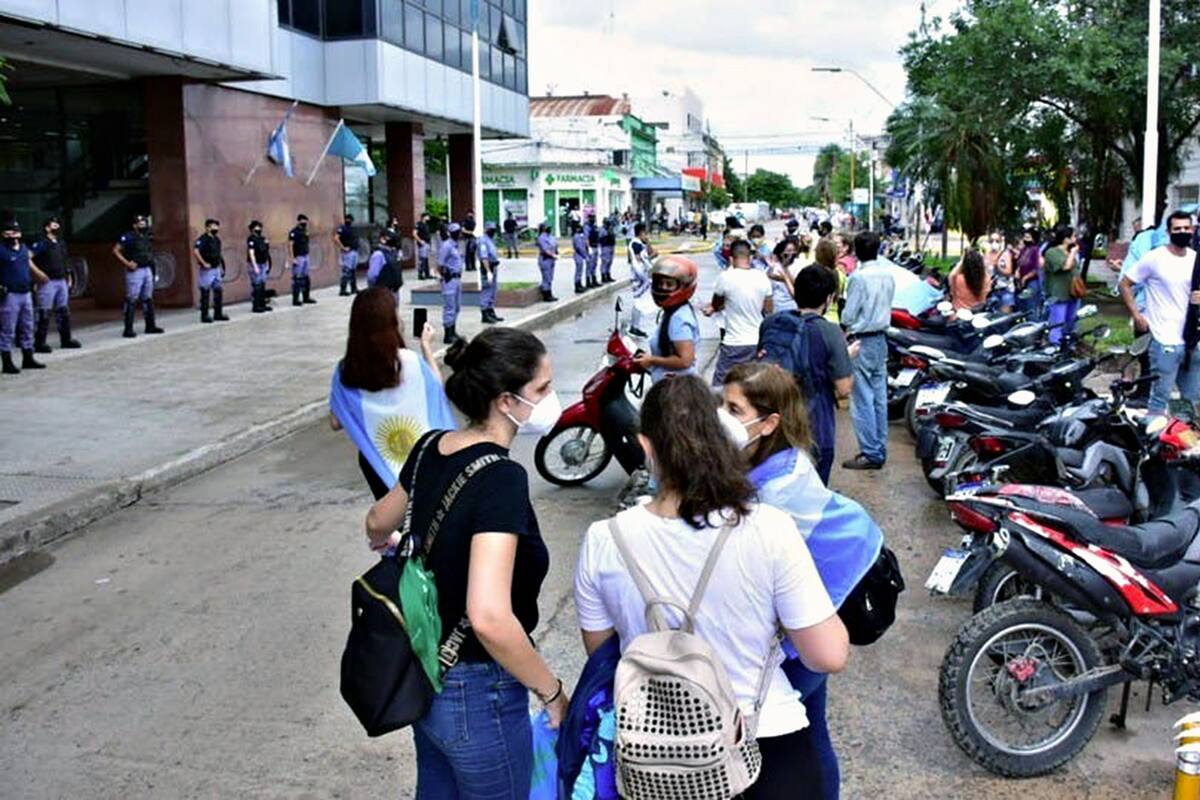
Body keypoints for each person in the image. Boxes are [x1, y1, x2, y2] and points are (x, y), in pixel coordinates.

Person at [574, 375, 850, 800]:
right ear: (723, 437)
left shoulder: (603, 540)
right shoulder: (769, 528)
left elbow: (604, 653)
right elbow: (828, 654)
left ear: (646, 446)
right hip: (767, 740)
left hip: (657, 760)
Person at [365, 326, 568, 799]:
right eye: (542, 389)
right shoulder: (502, 478)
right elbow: (489, 617)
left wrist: (389, 541)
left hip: (426, 673)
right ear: (506, 401)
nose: (551, 399)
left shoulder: (429, 447)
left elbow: (377, 520)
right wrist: (553, 692)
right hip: (480, 691)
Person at [720, 362, 883, 800]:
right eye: (722, 405)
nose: (722, 418)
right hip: (815, 611)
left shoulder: (776, 491)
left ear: (769, 422)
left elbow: (751, 572)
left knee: (776, 738)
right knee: (810, 725)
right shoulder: (772, 460)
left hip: (823, 610)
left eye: (734, 410)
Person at [330, 287, 449, 499]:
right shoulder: (410, 361)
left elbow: (336, 422)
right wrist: (426, 346)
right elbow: (436, 388)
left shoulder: (346, 370)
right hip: (419, 457)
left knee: (390, 514)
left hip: (376, 462)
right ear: (391, 322)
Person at [757, 266, 854, 484]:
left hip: (774, 423)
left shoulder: (772, 323)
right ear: (828, 298)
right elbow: (844, 388)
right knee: (812, 491)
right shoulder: (830, 331)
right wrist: (846, 356)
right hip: (814, 426)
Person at [1119, 210, 1200, 413]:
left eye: (1186, 228)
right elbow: (1125, 283)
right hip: (1163, 339)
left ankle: (1183, 431)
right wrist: (1137, 315)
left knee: (1192, 400)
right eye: (1177, 229)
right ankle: (1153, 430)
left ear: (1192, 230)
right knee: (1160, 397)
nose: (1182, 232)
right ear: (1168, 232)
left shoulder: (1195, 259)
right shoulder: (1155, 258)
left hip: (1191, 340)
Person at [841, 231, 894, 470]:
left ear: (857, 252)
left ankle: (871, 452)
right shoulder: (887, 275)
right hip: (881, 339)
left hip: (862, 340)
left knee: (862, 399)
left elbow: (849, 315)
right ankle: (878, 447)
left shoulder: (858, 278)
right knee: (879, 398)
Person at [705, 239, 773, 386]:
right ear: (750, 257)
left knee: (720, 386)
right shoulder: (762, 277)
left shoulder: (725, 277)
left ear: (731, 258)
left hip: (734, 342)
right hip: (756, 341)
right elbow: (768, 309)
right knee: (754, 385)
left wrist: (714, 308)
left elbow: (716, 304)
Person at [633, 254, 700, 383]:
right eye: (660, 283)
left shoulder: (678, 318)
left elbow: (685, 360)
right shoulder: (674, 311)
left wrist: (652, 360)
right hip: (672, 384)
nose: (663, 288)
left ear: (684, 287)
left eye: (669, 284)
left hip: (676, 388)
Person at [1, 219, 47, 374]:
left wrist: (37, 280)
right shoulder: (1, 251)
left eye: (15, 231)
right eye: (8, 232)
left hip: (26, 292)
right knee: (8, 328)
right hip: (9, 294)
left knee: (28, 326)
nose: (12, 234)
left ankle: (28, 357)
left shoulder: (23, 249)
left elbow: (29, 267)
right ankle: (6, 361)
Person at [30, 216, 81, 351]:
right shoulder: (42, 243)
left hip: (61, 280)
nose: (57, 227)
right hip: (48, 282)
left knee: (63, 310)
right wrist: (38, 274)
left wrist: (68, 275)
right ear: (47, 227)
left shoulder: (60, 242)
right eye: (54, 225)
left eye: (58, 224)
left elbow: (65, 259)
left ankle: (66, 339)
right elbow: (28, 257)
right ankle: (39, 343)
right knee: (44, 311)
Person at [113, 213, 164, 338]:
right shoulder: (128, 236)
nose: (143, 226)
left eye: (144, 223)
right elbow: (116, 250)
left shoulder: (147, 236)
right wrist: (127, 263)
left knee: (148, 298)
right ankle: (128, 329)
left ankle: (150, 326)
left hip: (147, 269)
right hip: (135, 271)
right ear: (134, 225)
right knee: (132, 298)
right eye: (140, 224)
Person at [1044, 224, 1081, 344]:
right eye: (1073, 236)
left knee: (1071, 322)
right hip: (1059, 294)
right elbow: (1066, 266)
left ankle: (1068, 344)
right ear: (1066, 239)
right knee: (1058, 323)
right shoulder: (1052, 252)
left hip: (1072, 293)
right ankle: (1055, 345)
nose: (1075, 239)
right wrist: (1073, 253)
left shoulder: (1069, 252)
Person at [193, 218, 230, 323]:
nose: (216, 228)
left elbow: (219, 254)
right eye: (214, 226)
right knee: (205, 291)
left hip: (216, 268)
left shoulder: (217, 239)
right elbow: (196, 251)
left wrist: (221, 267)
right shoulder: (203, 239)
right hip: (207, 270)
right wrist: (204, 263)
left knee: (218, 291)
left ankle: (218, 313)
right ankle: (204, 315)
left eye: (217, 226)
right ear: (207, 227)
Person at [627, 222, 656, 337]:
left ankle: (636, 326)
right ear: (641, 232)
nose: (647, 235)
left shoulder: (640, 244)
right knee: (638, 302)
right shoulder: (635, 244)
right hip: (639, 277)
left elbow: (649, 253)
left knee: (640, 301)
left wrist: (648, 243)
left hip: (643, 276)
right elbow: (639, 261)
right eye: (645, 233)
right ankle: (634, 327)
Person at [439, 222, 466, 344]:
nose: (458, 233)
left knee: (457, 306)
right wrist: (443, 276)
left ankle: (453, 331)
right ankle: (448, 334)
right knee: (449, 307)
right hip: (449, 279)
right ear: (450, 233)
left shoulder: (456, 246)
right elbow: (440, 264)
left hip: (457, 279)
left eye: (458, 231)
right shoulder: (446, 245)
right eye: (455, 232)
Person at [478, 222, 505, 324]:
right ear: (486, 229)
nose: (493, 231)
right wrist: (488, 271)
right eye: (491, 229)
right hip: (487, 268)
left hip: (493, 267)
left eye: (493, 230)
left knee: (493, 291)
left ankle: (491, 312)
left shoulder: (491, 240)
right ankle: (485, 314)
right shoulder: (483, 241)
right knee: (487, 291)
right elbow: (484, 258)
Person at [288, 213, 317, 306]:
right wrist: (292, 258)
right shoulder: (294, 232)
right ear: (299, 221)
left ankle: (306, 297)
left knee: (306, 277)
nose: (304, 222)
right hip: (298, 257)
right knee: (297, 278)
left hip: (305, 256)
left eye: (305, 221)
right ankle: (295, 299)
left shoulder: (305, 231)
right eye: (303, 220)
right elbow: (290, 245)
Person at [767, 237, 802, 314]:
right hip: (777, 305)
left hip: (792, 305)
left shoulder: (798, 265)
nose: (791, 253)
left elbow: (797, 286)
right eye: (788, 251)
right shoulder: (776, 265)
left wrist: (785, 271)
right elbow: (769, 278)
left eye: (793, 250)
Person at [1015, 228, 1044, 318]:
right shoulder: (1024, 250)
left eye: (1028, 237)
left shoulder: (1036, 250)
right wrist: (1018, 271)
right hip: (1022, 283)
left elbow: (1037, 268)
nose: (1025, 239)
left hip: (1032, 283)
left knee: (1031, 309)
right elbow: (1019, 263)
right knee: (1023, 307)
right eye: (1025, 237)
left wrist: (1025, 278)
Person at [365, 228, 402, 300]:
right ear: (382, 239)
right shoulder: (378, 255)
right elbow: (372, 276)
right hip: (382, 294)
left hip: (393, 292)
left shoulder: (394, 253)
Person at [984, 231, 1015, 312]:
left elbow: (1009, 271)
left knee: (1005, 316)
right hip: (991, 291)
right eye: (991, 241)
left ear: (1001, 242)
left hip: (1005, 290)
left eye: (997, 241)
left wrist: (997, 266)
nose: (994, 243)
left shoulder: (1005, 254)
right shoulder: (986, 255)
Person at [246, 219, 273, 314]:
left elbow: (266, 251)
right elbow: (251, 253)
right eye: (257, 227)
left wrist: (268, 263)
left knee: (262, 284)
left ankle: (262, 304)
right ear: (252, 229)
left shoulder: (263, 239)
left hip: (263, 263)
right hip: (256, 264)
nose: (259, 229)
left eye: (260, 227)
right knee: (256, 285)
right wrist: (255, 266)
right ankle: (256, 306)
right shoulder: (251, 239)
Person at [335, 213, 360, 296]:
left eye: (350, 219)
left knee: (353, 271)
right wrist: (342, 247)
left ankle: (354, 288)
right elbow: (336, 238)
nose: (348, 220)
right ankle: (343, 290)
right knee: (346, 271)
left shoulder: (352, 229)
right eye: (347, 219)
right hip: (348, 253)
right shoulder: (342, 228)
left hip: (354, 251)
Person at [536, 222, 558, 302]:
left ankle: (550, 293)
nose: (549, 229)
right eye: (547, 228)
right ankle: (546, 294)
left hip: (552, 259)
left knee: (550, 277)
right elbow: (545, 249)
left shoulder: (551, 237)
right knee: (546, 277)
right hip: (545, 259)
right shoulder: (541, 238)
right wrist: (553, 255)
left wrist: (556, 253)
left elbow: (555, 245)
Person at [571, 220, 588, 295]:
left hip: (581, 255)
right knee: (578, 271)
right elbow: (579, 247)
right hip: (578, 255)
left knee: (580, 271)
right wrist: (584, 255)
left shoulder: (580, 236)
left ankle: (580, 284)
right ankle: (577, 285)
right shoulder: (576, 236)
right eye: (579, 228)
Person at [598, 216, 616, 283]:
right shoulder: (602, 229)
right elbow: (600, 238)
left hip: (611, 246)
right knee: (605, 261)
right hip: (605, 247)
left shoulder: (610, 228)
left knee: (610, 262)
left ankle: (608, 274)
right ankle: (603, 276)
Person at [416, 212, 433, 280]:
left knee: (426, 259)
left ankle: (427, 274)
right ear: (424, 217)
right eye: (427, 216)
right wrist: (420, 241)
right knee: (422, 259)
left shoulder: (426, 225)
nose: (429, 217)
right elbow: (414, 233)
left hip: (427, 243)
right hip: (423, 244)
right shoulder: (419, 224)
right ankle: (420, 275)